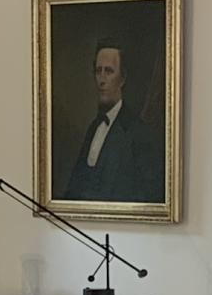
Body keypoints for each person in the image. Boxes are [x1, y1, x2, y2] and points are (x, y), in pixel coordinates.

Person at [57, 38, 164, 203]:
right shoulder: (93, 128)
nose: (102, 79)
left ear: (122, 79)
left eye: (109, 71)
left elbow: (148, 196)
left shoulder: (139, 133)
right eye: (98, 71)